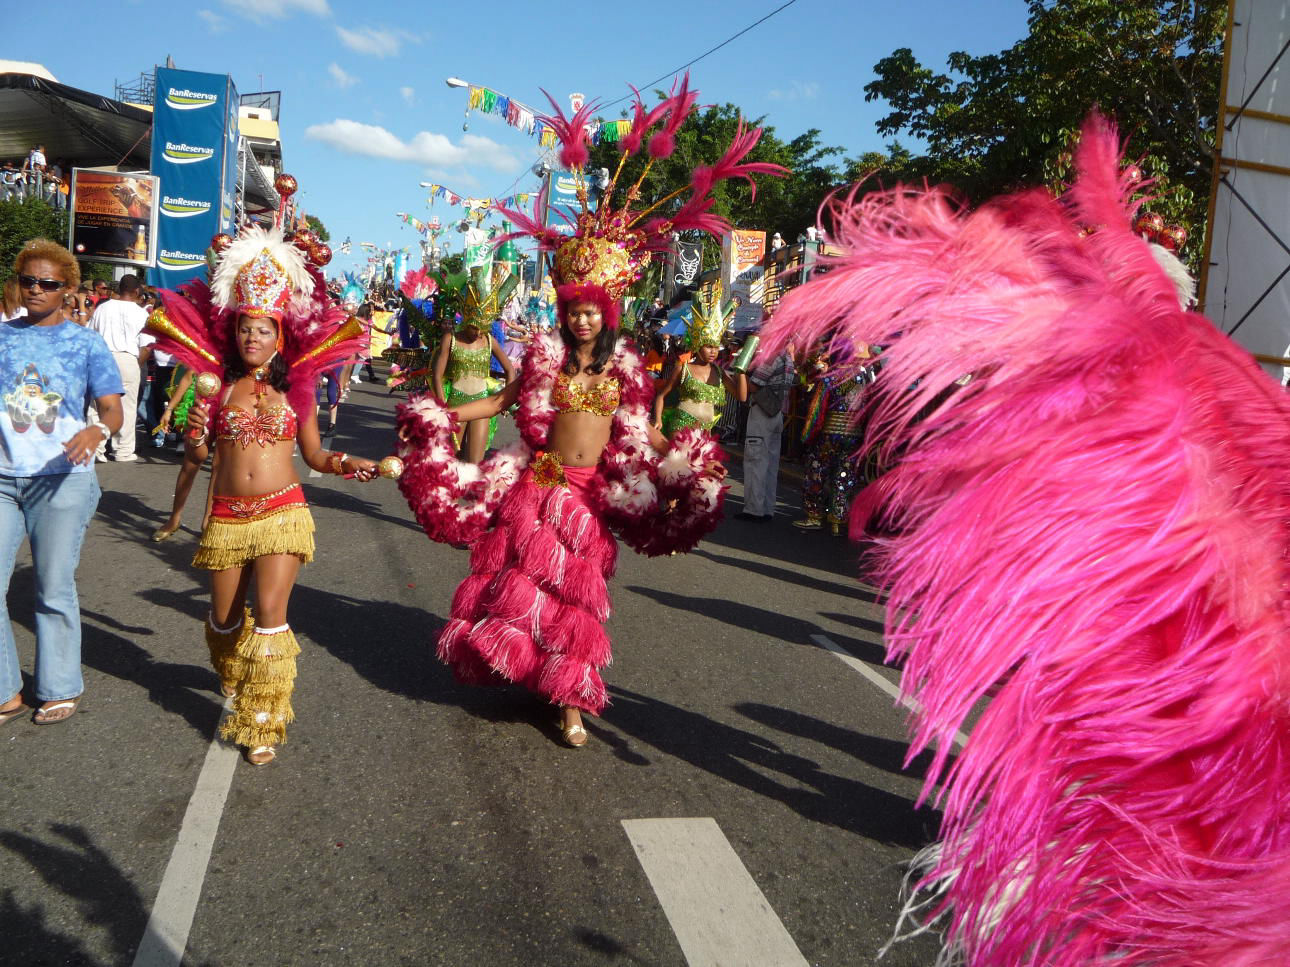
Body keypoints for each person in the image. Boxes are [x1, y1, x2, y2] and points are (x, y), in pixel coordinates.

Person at [397, 73, 780, 747]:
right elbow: (501, 398)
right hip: (538, 484)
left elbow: (644, 430)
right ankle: (527, 668)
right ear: (566, 310)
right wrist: (447, 414)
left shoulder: (629, 366)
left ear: (604, 315)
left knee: (577, 599)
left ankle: (571, 698)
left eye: (587, 313)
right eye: (571, 311)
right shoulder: (543, 358)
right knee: (521, 582)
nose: (577, 321)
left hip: (592, 495)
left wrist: (686, 459)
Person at [148, 225, 381, 765]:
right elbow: (200, 457)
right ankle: (235, 673)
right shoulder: (217, 386)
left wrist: (350, 465)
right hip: (228, 518)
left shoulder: (295, 390)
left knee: (271, 612)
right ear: (235, 333)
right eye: (246, 330)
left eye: (263, 331)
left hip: (282, 513)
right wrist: (197, 432)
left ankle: (263, 720)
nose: (253, 338)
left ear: (280, 337)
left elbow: (317, 457)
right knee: (225, 622)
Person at [0, 239, 124, 727]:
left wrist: (97, 430)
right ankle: (7, 690)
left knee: (52, 586)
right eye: (27, 280)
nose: (35, 289)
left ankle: (58, 686)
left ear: (68, 290)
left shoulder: (85, 343)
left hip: (63, 481)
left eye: (47, 284)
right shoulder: (3, 337)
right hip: (3, 478)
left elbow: (112, 407)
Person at [430, 265, 517, 463]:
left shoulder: (488, 341)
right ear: (466, 319)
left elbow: (510, 370)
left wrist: (506, 399)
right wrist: (442, 407)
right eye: (473, 328)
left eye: (481, 329)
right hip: (455, 404)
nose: (477, 333)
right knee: (450, 461)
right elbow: (437, 374)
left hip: (482, 403)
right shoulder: (450, 339)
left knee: (474, 463)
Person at [793, 349, 873, 535]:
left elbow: (816, 411)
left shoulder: (828, 379)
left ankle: (814, 515)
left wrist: (807, 435)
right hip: (854, 434)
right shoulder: (862, 379)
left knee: (817, 472)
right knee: (845, 475)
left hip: (829, 433)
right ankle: (838, 518)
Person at [652, 283, 746, 436]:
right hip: (681, 430)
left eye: (716, 347)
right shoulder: (683, 369)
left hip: (705, 434)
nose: (713, 351)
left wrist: (741, 369)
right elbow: (661, 396)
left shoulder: (719, 372)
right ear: (697, 345)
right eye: (708, 346)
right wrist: (658, 419)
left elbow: (741, 397)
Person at [87, 274, 150, 462]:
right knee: (127, 406)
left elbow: (91, 336)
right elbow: (147, 345)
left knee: (96, 405)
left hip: (103, 356)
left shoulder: (103, 308)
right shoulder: (142, 313)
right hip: (128, 358)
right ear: (137, 291)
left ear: (119, 289)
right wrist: (134, 364)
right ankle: (122, 450)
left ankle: (96, 449)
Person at [738, 345, 795, 521]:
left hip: (762, 414)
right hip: (776, 414)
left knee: (756, 462)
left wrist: (741, 373)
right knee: (770, 464)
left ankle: (754, 509)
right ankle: (767, 508)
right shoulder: (789, 359)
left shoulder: (773, 357)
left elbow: (754, 385)